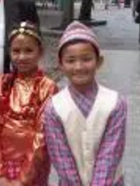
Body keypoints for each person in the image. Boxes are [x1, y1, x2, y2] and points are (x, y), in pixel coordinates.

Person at [43, 21, 127, 186]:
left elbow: (110, 155)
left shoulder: (115, 103)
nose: (79, 67)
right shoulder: (54, 108)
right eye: (71, 60)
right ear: (61, 65)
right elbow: (61, 158)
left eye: (86, 59)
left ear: (99, 61)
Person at [0, 21, 58, 185]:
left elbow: (43, 136)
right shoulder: (1, 84)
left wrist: (23, 179)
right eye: (16, 51)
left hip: (34, 168)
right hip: (2, 166)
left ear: (40, 52)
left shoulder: (47, 87)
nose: (22, 56)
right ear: (9, 52)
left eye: (28, 50)